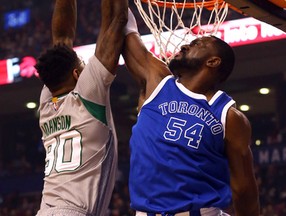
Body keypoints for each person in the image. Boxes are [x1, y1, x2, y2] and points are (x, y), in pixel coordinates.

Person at [122, 9, 260, 216]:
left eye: (197, 44)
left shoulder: (228, 116)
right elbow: (126, 30)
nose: (185, 44)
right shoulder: (157, 82)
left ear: (213, 61)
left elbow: (244, 190)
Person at [34, 0, 127, 215]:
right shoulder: (88, 95)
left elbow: (62, 41)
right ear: (77, 74)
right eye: (82, 66)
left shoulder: (48, 100)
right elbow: (117, 19)